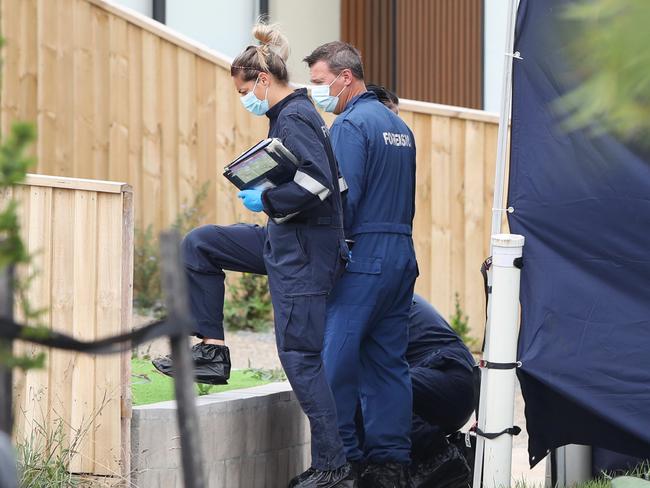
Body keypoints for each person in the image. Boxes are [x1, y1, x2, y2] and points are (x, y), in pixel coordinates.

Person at [152, 23, 352, 488]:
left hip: (303, 253)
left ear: (262, 80)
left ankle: (333, 466)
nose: (244, 98)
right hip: (285, 240)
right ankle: (213, 354)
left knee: (301, 358)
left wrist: (270, 199)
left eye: (245, 90)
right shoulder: (287, 115)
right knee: (200, 245)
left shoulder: (297, 115)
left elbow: (320, 183)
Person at [304, 42, 419, 488]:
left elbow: (341, 199)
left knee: (335, 360)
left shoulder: (349, 125)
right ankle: (391, 466)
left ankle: (340, 465)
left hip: (363, 256)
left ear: (345, 77)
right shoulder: (399, 126)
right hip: (401, 255)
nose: (315, 92)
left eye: (318, 83)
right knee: (389, 364)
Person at [405, 295, 475, 488]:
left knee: (371, 391)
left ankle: (442, 462)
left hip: (448, 377)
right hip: (446, 382)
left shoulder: (367, 295)